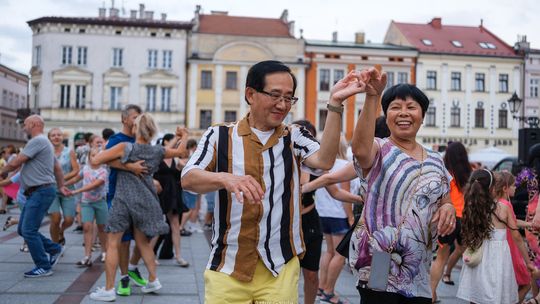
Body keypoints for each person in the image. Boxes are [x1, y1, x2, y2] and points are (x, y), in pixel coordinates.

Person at [181, 60, 363, 303]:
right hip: (228, 266)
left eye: (289, 98)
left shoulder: (294, 136)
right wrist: (224, 178)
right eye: (275, 95)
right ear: (250, 94)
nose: (282, 105)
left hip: (279, 267)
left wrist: (335, 104)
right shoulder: (220, 135)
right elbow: (188, 177)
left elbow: (325, 161)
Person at [350, 77, 456, 303]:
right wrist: (371, 97)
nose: (403, 113)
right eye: (395, 107)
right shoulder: (379, 149)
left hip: (419, 265)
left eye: (411, 107)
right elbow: (360, 150)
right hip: (380, 257)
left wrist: (448, 208)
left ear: (422, 115)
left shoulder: (436, 159)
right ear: (386, 116)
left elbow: (445, 199)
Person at [89, 114, 189, 301]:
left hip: (123, 200)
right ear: (152, 131)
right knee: (143, 242)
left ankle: (109, 290)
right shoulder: (157, 151)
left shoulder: (124, 147)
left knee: (113, 243)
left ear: (135, 128)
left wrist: (123, 164)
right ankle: (153, 279)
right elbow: (180, 152)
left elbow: (96, 161)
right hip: (146, 199)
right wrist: (183, 135)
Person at [0, 115, 70, 277]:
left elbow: (16, 162)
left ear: (34, 124)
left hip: (40, 191)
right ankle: (55, 249)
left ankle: (43, 266)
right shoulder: (44, 143)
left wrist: (2, 171)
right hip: (38, 191)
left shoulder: (37, 141)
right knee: (22, 229)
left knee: (29, 231)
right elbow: (57, 167)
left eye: (25, 124)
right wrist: (61, 186)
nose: (23, 128)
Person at [457, 169, 533, 304]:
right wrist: (528, 262)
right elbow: (517, 237)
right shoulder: (503, 208)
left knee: (476, 295)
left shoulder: (473, 206)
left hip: (478, 256)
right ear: (492, 187)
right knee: (497, 295)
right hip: (498, 258)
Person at [104, 104, 148, 296]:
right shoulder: (116, 139)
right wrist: (131, 167)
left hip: (140, 195)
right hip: (118, 194)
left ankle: (132, 266)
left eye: (140, 117)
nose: (138, 121)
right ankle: (123, 279)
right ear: (124, 119)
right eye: (135, 117)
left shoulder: (141, 139)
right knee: (123, 240)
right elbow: (104, 159)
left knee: (148, 235)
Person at [429, 141, 472, 302]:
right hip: (466, 219)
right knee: (469, 255)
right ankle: (474, 294)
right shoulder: (470, 173)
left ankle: (432, 293)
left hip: (448, 217)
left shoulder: (445, 172)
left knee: (441, 257)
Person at [316, 136, 354, 304]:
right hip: (339, 215)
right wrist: (351, 217)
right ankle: (329, 291)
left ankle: (322, 287)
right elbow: (344, 196)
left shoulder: (323, 167)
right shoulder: (344, 166)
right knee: (339, 254)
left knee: (329, 252)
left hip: (323, 213)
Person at [493, 171, 533, 303]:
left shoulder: (496, 202)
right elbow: (515, 229)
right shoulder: (506, 204)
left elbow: (513, 221)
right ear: (505, 188)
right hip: (511, 249)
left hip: (505, 248)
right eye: (513, 186)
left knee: (512, 283)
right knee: (526, 282)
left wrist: (529, 224)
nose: (515, 188)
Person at [66, 147, 109, 267]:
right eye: (92, 155)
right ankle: (87, 256)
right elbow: (76, 178)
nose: (95, 158)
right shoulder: (85, 168)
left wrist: (75, 191)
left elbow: (93, 185)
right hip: (86, 203)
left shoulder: (103, 172)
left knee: (102, 228)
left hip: (100, 202)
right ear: (89, 157)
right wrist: (63, 185)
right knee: (86, 227)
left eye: (98, 155)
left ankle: (105, 252)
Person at [152, 133, 189, 267]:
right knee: (157, 225)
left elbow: (185, 166)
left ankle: (178, 256)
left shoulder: (175, 159)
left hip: (172, 194)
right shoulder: (158, 156)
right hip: (159, 194)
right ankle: (150, 253)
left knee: (175, 226)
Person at [47, 128, 79, 245]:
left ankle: (60, 231)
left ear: (62, 137)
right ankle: (55, 246)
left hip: (67, 188)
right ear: (49, 138)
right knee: (55, 218)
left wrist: (62, 179)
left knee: (69, 220)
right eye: (53, 135)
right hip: (50, 189)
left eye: (59, 135)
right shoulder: (45, 152)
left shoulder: (69, 151)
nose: (56, 137)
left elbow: (76, 170)